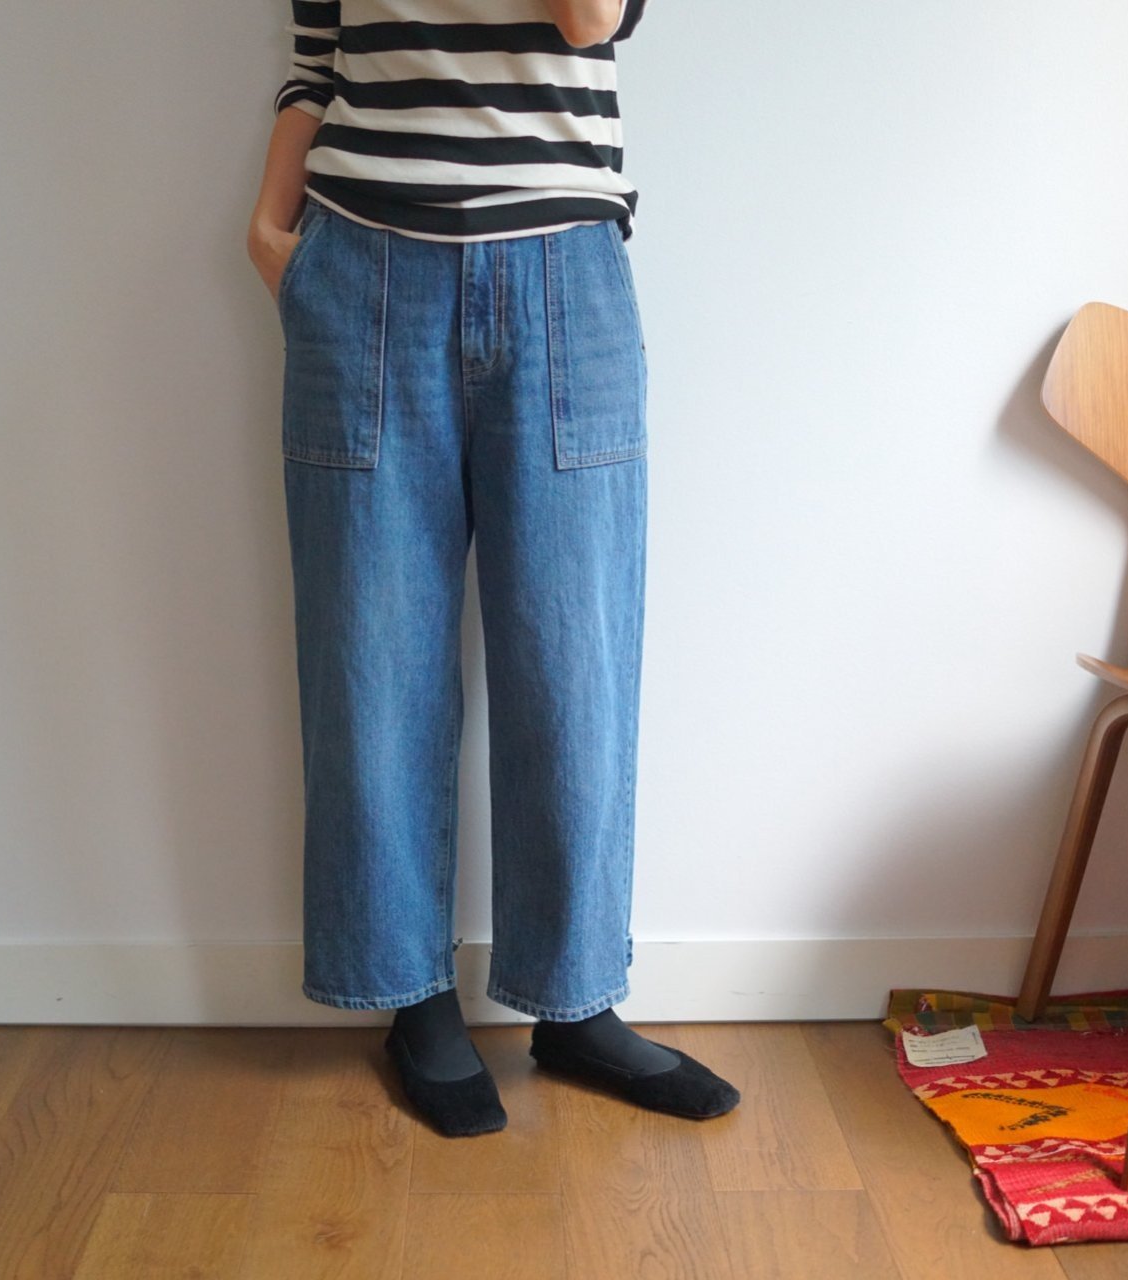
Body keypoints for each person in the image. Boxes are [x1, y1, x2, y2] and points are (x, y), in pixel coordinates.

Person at [247, 0, 738, 1136]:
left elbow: (588, 20)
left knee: (573, 662)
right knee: (370, 663)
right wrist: (269, 232)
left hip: (565, 276)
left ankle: (575, 1004)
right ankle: (411, 999)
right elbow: (317, 58)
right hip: (363, 268)